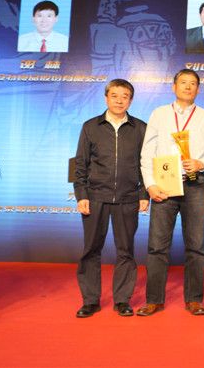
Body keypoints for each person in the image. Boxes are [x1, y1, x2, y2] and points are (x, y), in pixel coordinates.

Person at [136, 69, 204, 316]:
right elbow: (147, 153)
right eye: (183, 82)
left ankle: (194, 299)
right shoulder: (159, 113)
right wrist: (150, 184)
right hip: (164, 183)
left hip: (195, 184)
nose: (188, 87)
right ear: (174, 86)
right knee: (157, 245)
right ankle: (154, 299)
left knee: (196, 245)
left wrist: (201, 163)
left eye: (193, 83)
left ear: (198, 89)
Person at [73, 79, 148, 318]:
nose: (119, 100)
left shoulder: (140, 128)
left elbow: (145, 164)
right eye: (114, 95)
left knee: (126, 251)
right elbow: (80, 164)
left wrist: (144, 194)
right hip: (96, 197)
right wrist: (81, 194)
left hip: (128, 198)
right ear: (106, 98)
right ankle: (90, 301)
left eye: (125, 96)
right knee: (91, 250)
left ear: (131, 100)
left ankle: (122, 300)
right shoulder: (90, 126)